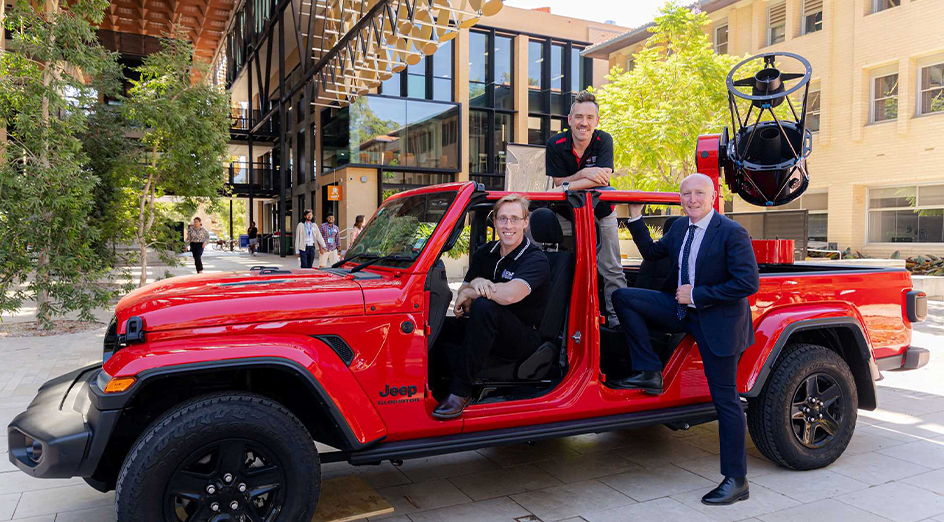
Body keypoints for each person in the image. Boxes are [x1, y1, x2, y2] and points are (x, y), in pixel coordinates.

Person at [610, 173, 760, 506]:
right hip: (681, 311)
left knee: (726, 401)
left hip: (717, 319)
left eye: (698, 193)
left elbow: (748, 283)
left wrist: (697, 294)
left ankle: (736, 480)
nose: (692, 199)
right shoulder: (679, 228)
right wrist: (635, 215)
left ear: (713, 196)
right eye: (686, 194)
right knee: (624, 297)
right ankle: (649, 370)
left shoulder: (732, 233)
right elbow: (651, 252)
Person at [432, 194, 550, 420]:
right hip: (485, 327)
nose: (508, 225)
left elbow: (508, 296)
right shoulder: (484, 253)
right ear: (494, 221)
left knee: (486, 306)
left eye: (515, 219)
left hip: (523, 338)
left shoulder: (535, 259)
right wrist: (476, 285)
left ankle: (460, 391)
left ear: (526, 222)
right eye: (503, 219)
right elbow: (462, 294)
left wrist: (474, 289)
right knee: (440, 326)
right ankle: (429, 387)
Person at [545, 90, 625, 328]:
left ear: (597, 121)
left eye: (590, 117)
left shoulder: (604, 140)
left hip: (601, 212)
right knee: (535, 246)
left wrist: (569, 183)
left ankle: (616, 320)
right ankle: (541, 316)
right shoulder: (555, 144)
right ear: (569, 120)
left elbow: (601, 180)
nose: (584, 123)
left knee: (612, 267)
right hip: (566, 214)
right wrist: (583, 174)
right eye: (579, 117)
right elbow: (558, 185)